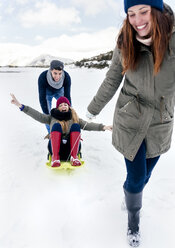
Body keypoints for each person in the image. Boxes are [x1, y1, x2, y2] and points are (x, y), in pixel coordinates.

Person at [86, 0, 175, 246]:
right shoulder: (125, 41)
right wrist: (92, 110)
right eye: (131, 14)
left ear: (156, 10)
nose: (137, 21)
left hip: (160, 120)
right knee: (136, 178)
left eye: (143, 12)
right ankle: (133, 222)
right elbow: (113, 78)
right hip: (130, 119)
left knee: (144, 176)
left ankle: (130, 194)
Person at [10, 94, 112, 167]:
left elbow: (87, 125)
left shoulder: (74, 118)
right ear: (58, 107)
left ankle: (74, 157)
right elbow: (37, 115)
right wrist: (21, 106)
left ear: (68, 106)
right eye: (61, 105)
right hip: (55, 150)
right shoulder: (51, 118)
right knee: (56, 126)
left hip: (71, 150)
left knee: (76, 126)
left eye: (65, 104)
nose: (63, 106)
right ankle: (55, 157)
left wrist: (103, 127)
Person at [38, 60, 72, 134]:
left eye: (60, 73)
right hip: (47, 92)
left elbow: (67, 96)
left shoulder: (66, 77)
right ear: (51, 70)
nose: (58, 76)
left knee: (68, 110)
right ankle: (51, 134)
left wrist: (69, 110)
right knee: (46, 114)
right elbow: (42, 98)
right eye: (55, 73)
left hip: (59, 91)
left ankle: (67, 131)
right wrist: (47, 115)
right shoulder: (43, 77)